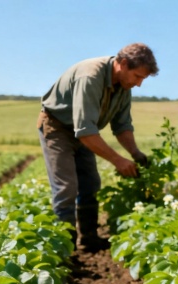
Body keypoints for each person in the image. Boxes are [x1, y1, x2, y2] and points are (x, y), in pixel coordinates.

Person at [37, 43, 159, 252]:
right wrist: (118, 160)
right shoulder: (90, 76)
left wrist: (135, 153)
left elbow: (122, 126)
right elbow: (84, 131)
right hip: (57, 127)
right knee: (66, 187)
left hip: (85, 132)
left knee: (91, 184)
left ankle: (88, 239)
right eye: (137, 76)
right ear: (122, 64)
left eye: (143, 79)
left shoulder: (124, 87)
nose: (139, 84)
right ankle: (64, 248)